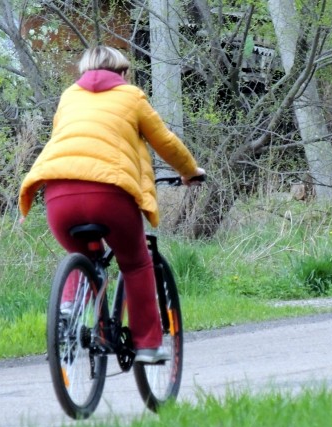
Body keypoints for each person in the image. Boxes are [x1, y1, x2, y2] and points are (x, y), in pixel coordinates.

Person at [18, 45, 205, 364]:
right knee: (136, 262)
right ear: (122, 73)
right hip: (110, 194)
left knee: (81, 255)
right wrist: (190, 172)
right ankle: (147, 344)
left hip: (58, 194)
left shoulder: (68, 97)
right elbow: (166, 142)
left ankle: (67, 313)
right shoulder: (131, 96)